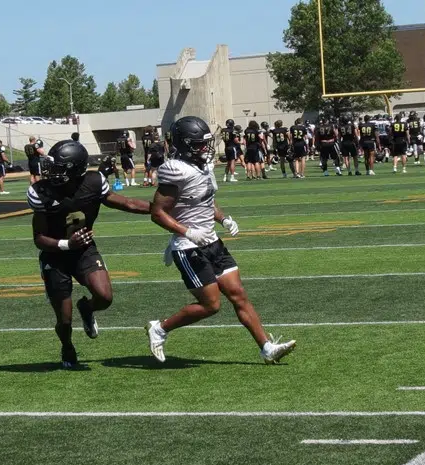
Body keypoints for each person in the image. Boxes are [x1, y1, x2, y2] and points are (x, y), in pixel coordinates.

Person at [144, 116, 296, 364]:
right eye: (199, 144)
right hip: (189, 246)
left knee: (238, 294)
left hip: (211, 241)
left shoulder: (201, 166)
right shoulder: (176, 170)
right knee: (211, 305)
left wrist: (223, 219)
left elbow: (204, 199)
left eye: (206, 143)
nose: (205, 148)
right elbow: (157, 213)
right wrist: (187, 232)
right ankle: (159, 329)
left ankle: (266, 348)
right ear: (184, 145)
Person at [27, 140, 151, 369]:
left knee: (104, 297)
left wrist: (158, 209)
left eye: (58, 168)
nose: (51, 172)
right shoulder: (41, 191)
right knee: (64, 320)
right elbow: (39, 238)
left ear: (74, 170)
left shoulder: (94, 182)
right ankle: (67, 346)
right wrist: (66, 244)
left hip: (83, 250)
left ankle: (86, 308)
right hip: (55, 255)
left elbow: (128, 203)